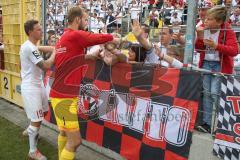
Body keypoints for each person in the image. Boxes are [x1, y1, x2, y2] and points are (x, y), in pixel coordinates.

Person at [49, 6, 118, 160]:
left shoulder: (64, 37)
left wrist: (90, 56)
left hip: (61, 94)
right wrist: (112, 37)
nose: (87, 23)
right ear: (78, 19)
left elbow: (71, 60)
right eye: (86, 19)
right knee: (75, 141)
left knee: (64, 133)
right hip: (63, 97)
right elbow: (95, 38)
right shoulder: (74, 35)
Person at [195, 6, 239, 133]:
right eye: (206, 18)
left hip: (220, 65)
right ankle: (207, 124)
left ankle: (221, 126)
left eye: (209, 19)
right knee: (207, 94)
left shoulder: (227, 30)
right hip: (206, 64)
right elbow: (198, 49)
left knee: (215, 93)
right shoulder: (203, 29)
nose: (205, 21)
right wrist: (199, 37)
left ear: (219, 22)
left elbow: (234, 51)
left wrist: (216, 46)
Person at [20, 19, 55, 160]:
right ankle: (32, 151)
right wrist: (56, 53)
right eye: (38, 29)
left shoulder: (31, 45)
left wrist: (54, 48)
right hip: (31, 87)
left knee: (44, 111)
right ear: (30, 32)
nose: (41, 31)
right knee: (37, 118)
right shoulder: (29, 47)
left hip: (38, 84)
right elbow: (46, 65)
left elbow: (41, 48)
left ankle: (31, 131)